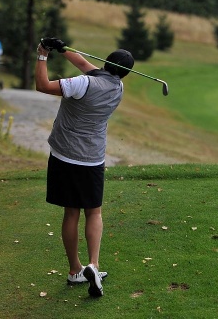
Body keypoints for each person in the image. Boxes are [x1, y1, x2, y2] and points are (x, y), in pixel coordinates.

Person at [34, 37, 134, 298]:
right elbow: (83, 63)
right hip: (91, 159)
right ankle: (94, 265)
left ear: (105, 62)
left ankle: (75, 270)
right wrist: (63, 47)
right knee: (94, 212)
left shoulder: (83, 83)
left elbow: (43, 85)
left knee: (71, 213)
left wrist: (43, 55)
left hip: (64, 155)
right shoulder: (117, 87)